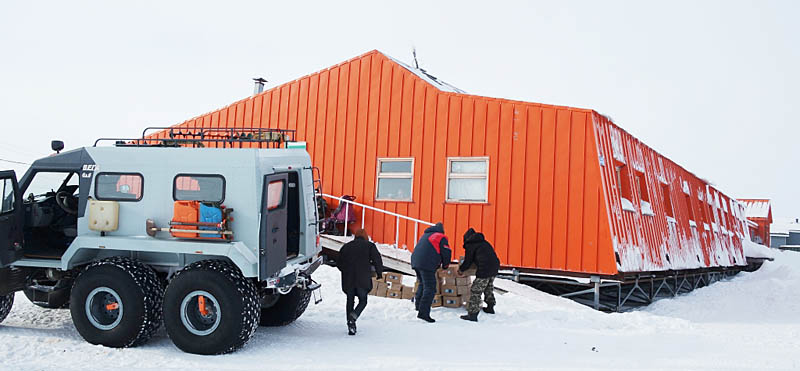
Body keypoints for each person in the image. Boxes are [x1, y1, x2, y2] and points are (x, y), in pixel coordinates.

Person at [337, 228, 383, 335]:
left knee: (350, 300)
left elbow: (339, 262)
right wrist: (379, 273)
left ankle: (350, 324)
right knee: (363, 301)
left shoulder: (346, 247)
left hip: (348, 280)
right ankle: (353, 317)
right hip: (362, 279)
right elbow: (377, 259)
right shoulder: (369, 246)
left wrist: (345, 270)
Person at [410, 222, 451, 323]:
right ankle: (423, 313)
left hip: (416, 261)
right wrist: (445, 266)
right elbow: (446, 252)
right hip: (426, 263)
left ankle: (418, 306)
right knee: (430, 288)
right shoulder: (441, 237)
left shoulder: (426, 235)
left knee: (422, 283)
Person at [458, 228, 500, 322]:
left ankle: (472, 314)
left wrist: (461, 270)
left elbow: (468, 261)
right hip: (494, 267)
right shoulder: (484, 243)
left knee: (475, 290)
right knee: (488, 287)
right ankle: (490, 307)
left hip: (484, 269)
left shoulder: (471, 245)